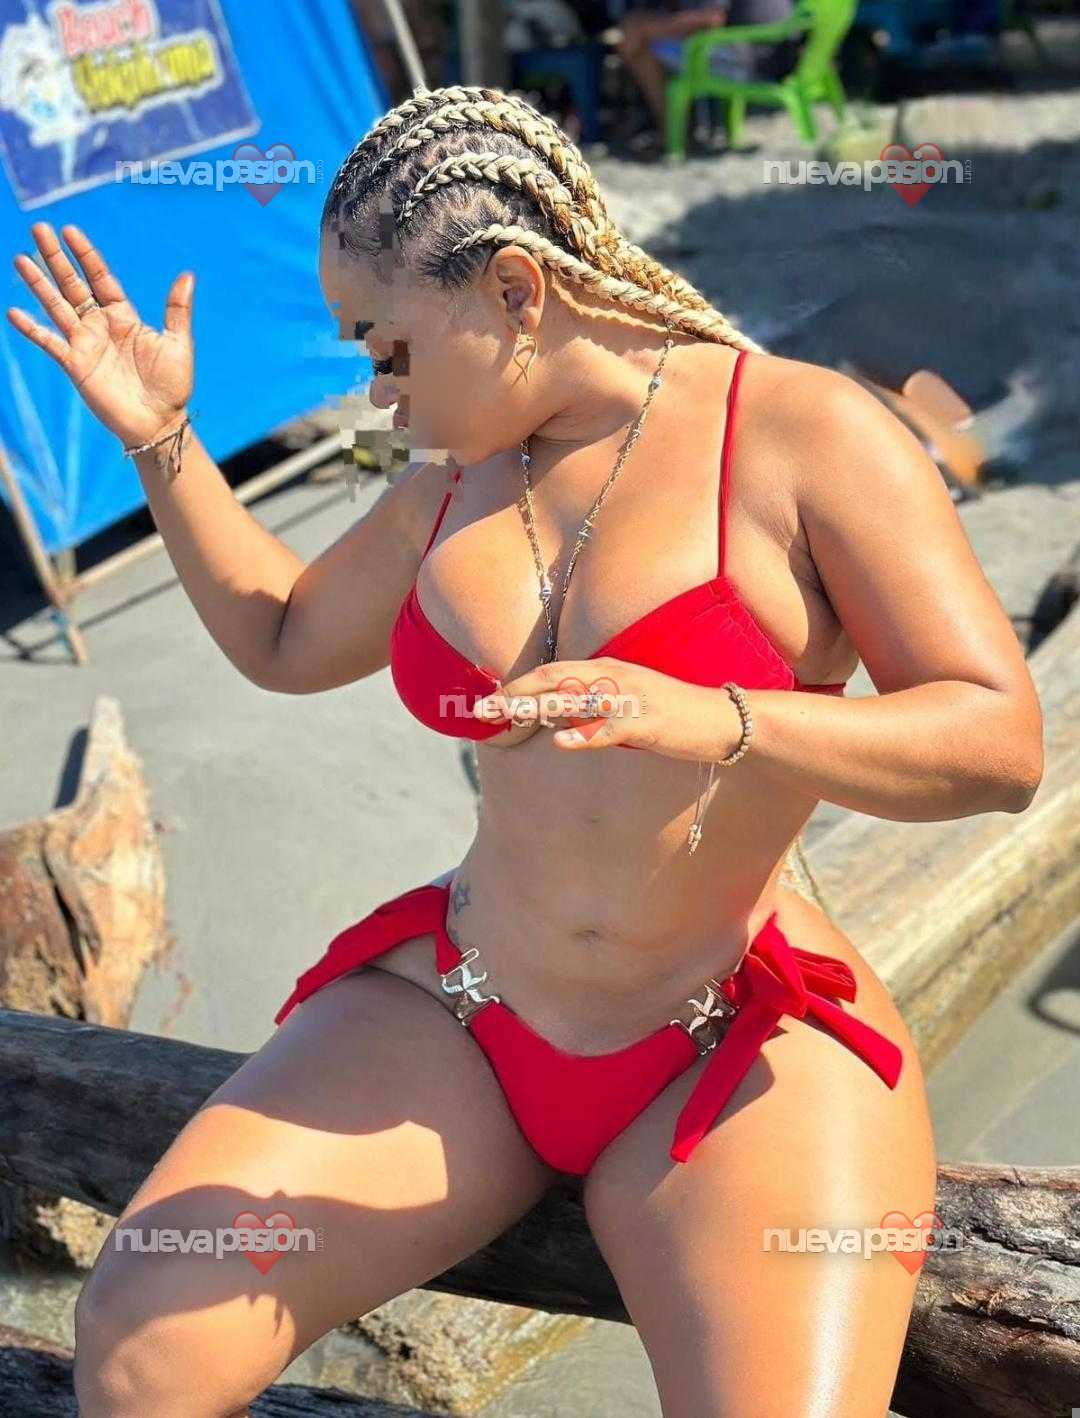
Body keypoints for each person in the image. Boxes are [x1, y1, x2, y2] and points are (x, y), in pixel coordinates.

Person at [10, 82, 1042, 1416]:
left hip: (727, 1036)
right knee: (140, 1351)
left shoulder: (805, 435)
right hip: (465, 1008)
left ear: (513, 289)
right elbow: (283, 636)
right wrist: (161, 438)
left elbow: (998, 739)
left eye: (387, 347)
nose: (376, 390)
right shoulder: (451, 474)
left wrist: (721, 715)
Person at [617, 0, 800, 150]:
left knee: (638, 40)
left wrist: (646, 28)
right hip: (778, 55)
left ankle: (670, 132)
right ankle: (674, 126)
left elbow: (712, 18)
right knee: (641, 34)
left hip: (755, 61)